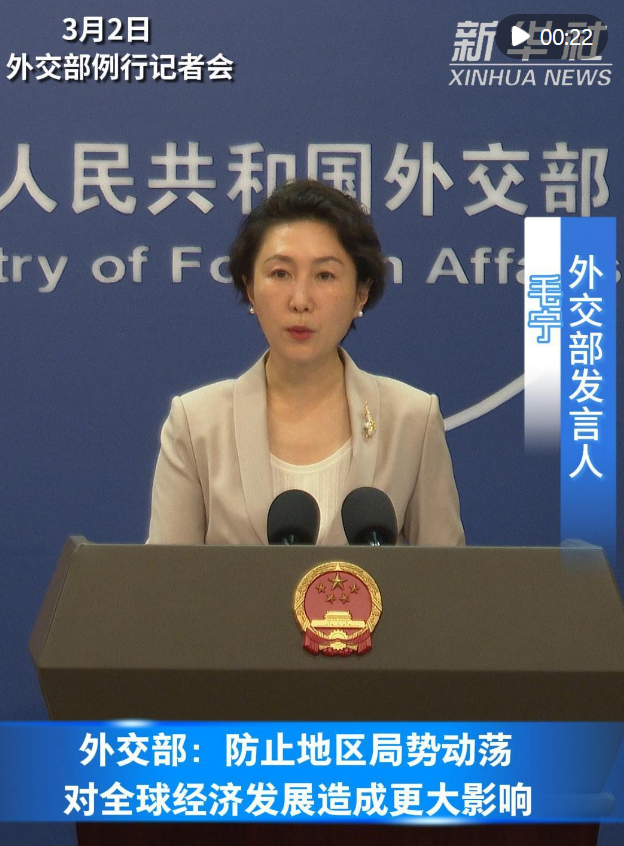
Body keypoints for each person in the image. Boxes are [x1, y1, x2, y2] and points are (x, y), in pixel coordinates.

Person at [147, 179, 464, 546]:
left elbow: (446, 577)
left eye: (324, 275)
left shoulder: (412, 420)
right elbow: (164, 579)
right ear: (250, 288)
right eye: (280, 274)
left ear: (361, 293)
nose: (300, 300)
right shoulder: (196, 425)